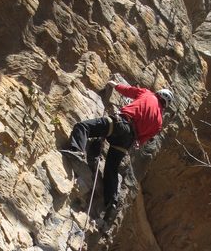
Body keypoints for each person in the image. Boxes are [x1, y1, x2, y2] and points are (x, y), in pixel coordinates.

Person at [60, 81, 174, 217]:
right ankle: (111, 202)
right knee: (111, 168)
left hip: (120, 123)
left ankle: (77, 151)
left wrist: (114, 85)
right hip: (128, 139)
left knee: (83, 127)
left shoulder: (147, 94)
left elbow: (129, 90)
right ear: (165, 106)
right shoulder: (159, 122)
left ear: (159, 93)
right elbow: (141, 141)